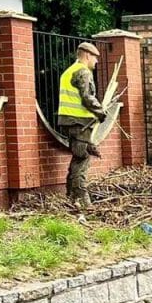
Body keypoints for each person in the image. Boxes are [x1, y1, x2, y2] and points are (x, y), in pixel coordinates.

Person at [57, 42, 107, 209]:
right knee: (82, 158)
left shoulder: (68, 72)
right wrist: (101, 111)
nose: (96, 61)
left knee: (78, 157)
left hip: (68, 121)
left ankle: (71, 196)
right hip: (79, 123)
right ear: (86, 55)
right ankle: (82, 199)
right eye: (95, 57)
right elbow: (87, 98)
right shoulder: (83, 72)